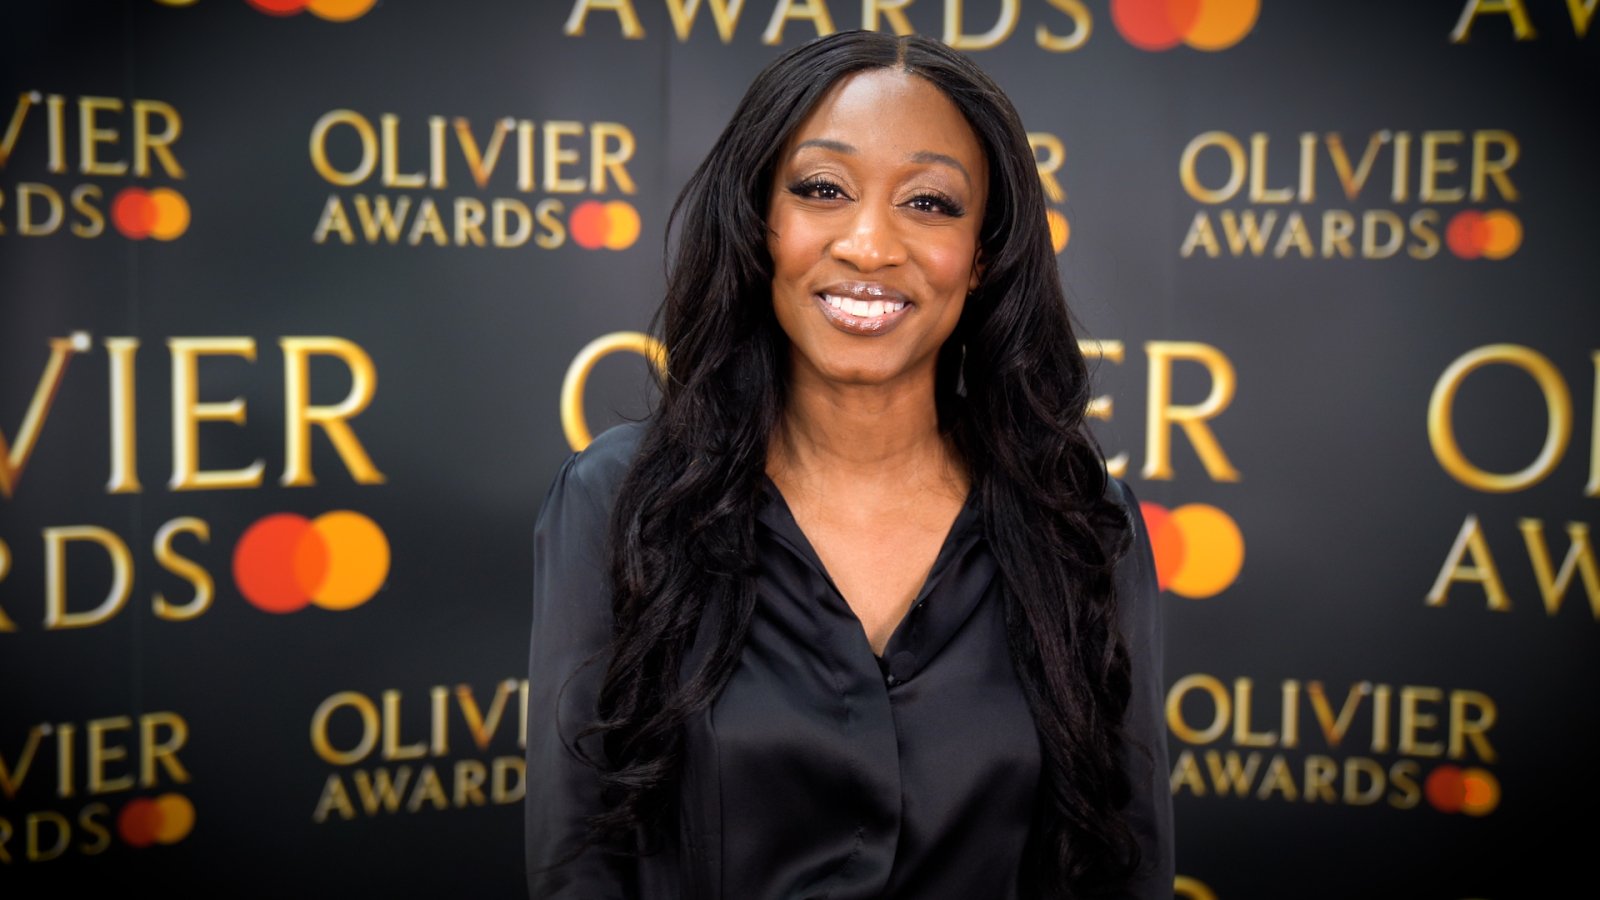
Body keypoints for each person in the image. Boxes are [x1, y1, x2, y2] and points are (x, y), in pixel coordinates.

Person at [526, 30, 1173, 900]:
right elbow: (580, 865)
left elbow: (1124, 868)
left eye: (932, 203)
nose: (870, 245)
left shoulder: (1082, 523)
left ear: (982, 255)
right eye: (823, 189)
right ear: (762, 221)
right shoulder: (617, 502)